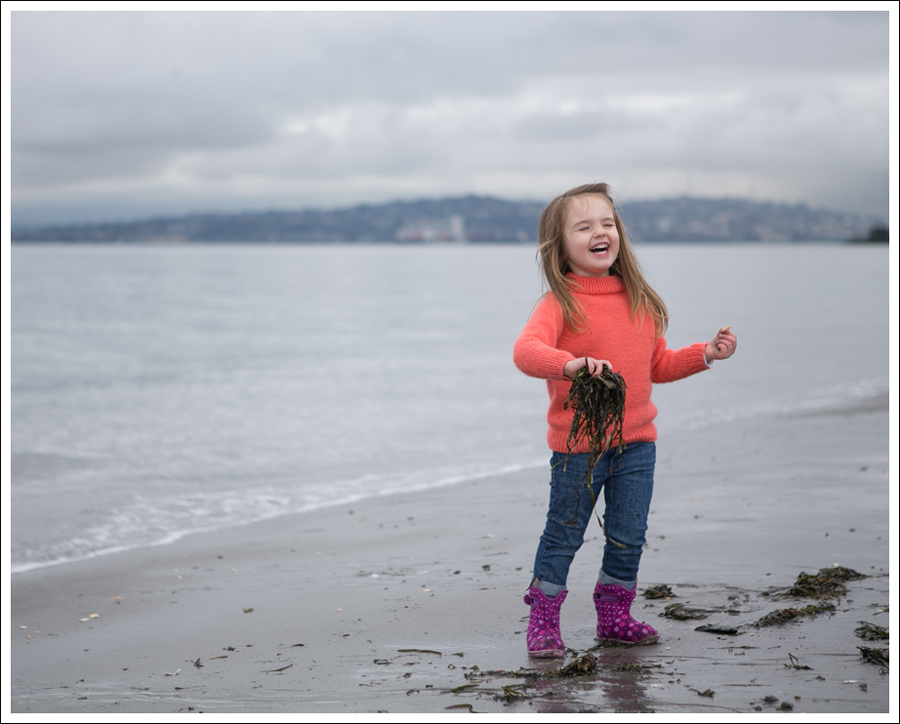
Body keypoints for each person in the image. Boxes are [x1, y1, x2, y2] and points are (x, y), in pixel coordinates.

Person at [513, 182, 736, 657]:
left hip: (637, 443)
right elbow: (526, 352)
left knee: (629, 534)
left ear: (619, 235)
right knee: (564, 532)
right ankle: (544, 617)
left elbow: (656, 366)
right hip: (578, 449)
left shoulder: (639, 300)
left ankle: (614, 615)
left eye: (608, 223)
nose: (600, 231)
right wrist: (569, 364)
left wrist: (706, 354)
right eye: (585, 225)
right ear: (560, 246)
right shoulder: (560, 302)